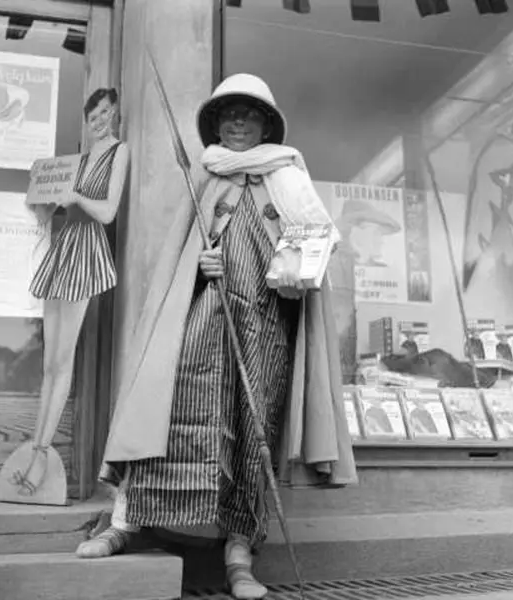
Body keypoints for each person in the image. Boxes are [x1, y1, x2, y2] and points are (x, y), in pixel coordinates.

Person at [77, 74, 357, 600]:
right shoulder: (206, 176)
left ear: (266, 126)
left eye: (248, 114)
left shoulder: (289, 179)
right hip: (204, 319)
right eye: (228, 114)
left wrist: (294, 270)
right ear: (217, 124)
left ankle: (240, 553)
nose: (237, 123)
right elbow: (177, 261)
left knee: (253, 432)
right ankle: (125, 523)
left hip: (267, 325)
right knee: (170, 412)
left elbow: (313, 251)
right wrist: (200, 267)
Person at [11, 88, 130, 496]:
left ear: (115, 113)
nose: (99, 120)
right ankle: (35, 451)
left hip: (86, 250)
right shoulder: (78, 159)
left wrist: (75, 195)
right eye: (92, 115)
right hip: (63, 248)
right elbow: (49, 213)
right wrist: (40, 195)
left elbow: (107, 212)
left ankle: (41, 459)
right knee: (49, 363)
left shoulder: (119, 153)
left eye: (105, 112)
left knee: (63, 359)